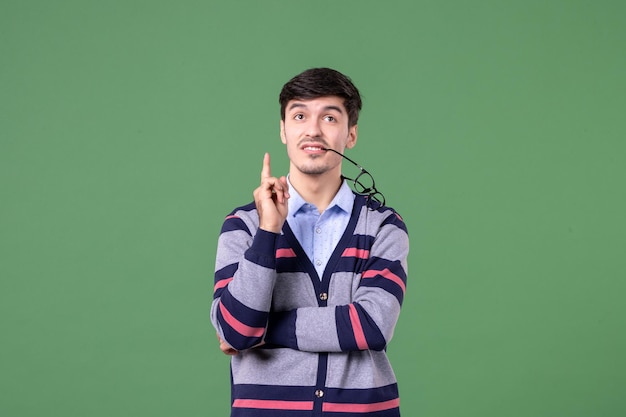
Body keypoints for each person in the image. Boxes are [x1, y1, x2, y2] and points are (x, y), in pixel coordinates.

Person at [211, 67, 409, 417]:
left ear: (351, 134)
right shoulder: (243, 225)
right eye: (299, 115)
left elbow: (372, 326)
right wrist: (268, 231)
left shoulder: (382, 225)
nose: (313, 129)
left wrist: (264, 328)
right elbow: (237, 329)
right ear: (283, 130)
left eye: (330, 117)